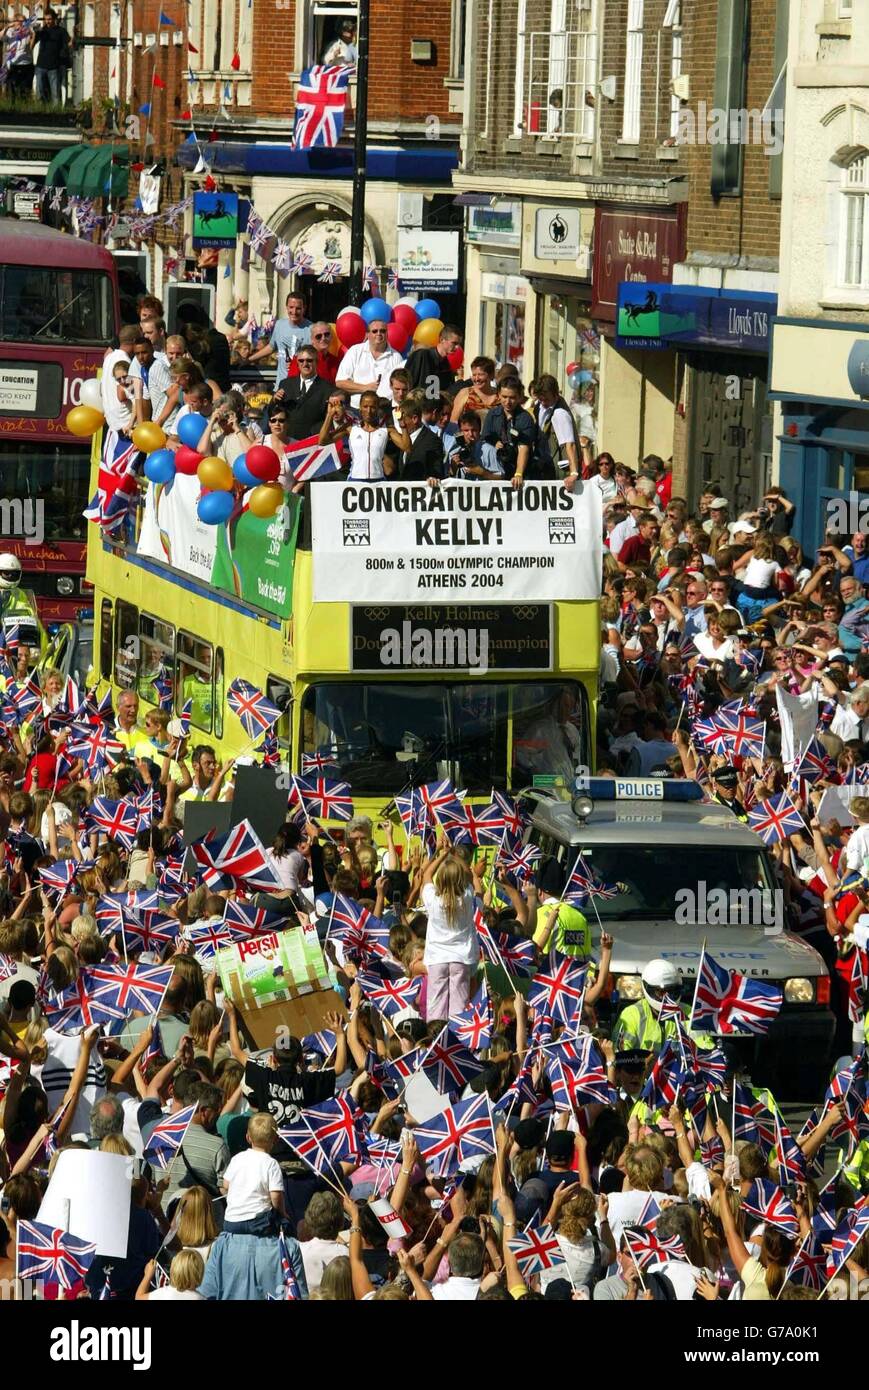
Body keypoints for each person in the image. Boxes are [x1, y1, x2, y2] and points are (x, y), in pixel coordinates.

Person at [420, 848, 478, 1019]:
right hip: (461, 958)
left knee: (435, 1006)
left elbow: (426, 875)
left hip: (437, 958)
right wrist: (455, 854)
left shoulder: (433, 900)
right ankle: (457, 1041)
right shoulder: (467, 897)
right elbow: (469, 874)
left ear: (441, 880)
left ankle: (435, 1037)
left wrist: (442, 854)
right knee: (459, 1008)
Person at [319, 389, 409, 482]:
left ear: (378, 408)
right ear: (360, 408)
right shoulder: (350, 427)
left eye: (372, 407)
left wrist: (403, 426)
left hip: (378, 481)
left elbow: (407, 448)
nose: (369, 411)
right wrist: (329, 415)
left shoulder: (386, 429)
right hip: (355, 480)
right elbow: (323, 441)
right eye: (365, 406)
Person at [221, 1113, 286, 1236]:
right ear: (276, 1139)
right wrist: (282, 1213)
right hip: (258, 1221)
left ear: (248, 1137)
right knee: (287, 1227)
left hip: (231, 1220)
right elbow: (276, 1197)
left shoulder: (237, 1158)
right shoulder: (271, 1164)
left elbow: (225, 1184)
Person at [481, 378, 545, 487]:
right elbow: (485, 438)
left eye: (512, 398)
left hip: (519, 468)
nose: (507, 402)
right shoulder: (492, 414)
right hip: (496, 469)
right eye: (504, 397)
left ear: (520, 397)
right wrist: (495, 443)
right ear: (498, 395)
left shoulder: (525, 418)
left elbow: (523, 448)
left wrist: (519, 474)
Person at [335, 320, 406, 408]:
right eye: (374, 331)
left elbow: (402, 386)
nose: (379, 333)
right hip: (356, 409)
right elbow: (340, 382)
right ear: (367, 334)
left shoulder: (396, 357)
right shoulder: (355, 351)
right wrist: (365, 388)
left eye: (382, 331)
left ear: (387, 334)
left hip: (384, 411)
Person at [249, 292, 311, 382]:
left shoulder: (311, 329)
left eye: (298, 308)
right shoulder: (279, 324)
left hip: (301, 384)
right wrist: (250, 359)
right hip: (281, 384)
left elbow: (315, 358)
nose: (294, 312)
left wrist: (296, 364)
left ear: (304, 309)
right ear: (286, 307)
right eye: (291, 307)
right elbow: (271, 347)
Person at [274, 345, 333, 440]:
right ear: (297, 363)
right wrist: (275, 400)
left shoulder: (327, 388)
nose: (305, 364)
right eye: (301, 361)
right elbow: (275, 413)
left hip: (312, 443)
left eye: (309, 360)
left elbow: (328, 420)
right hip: (288, 441)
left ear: (316, 362)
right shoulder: (285, 384)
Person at [532, 373, 580, 485]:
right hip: (543, 465)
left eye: (547, 400)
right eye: (540, 399)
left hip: (560, 472)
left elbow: (570, 444)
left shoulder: (560, 413)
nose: (543, 403)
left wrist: (573, 474)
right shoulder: (539, 406)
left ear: (556, 395)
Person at [406, 324, 463, 398]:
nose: (457, 347)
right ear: (442, 340)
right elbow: (405, 382)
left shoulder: (447, 366)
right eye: (454, 343)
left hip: (433, 408)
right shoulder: (421, 355)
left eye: (458, 344)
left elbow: (444, 394)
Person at [32, 8, 69, 104]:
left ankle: (55, 114)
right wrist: (34, 33)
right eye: (46, 19)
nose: (47, 21)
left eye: (49, 19)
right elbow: (31, 45)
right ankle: (38, 112)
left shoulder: (61, 31)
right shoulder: (42, 31)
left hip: (54, 66)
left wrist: (67, 48)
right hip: (40, 66)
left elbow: (69, 43)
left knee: (55, 94)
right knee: (39, 93)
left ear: (54, 19)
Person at [450, 355, 498, 423]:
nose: (477, 379)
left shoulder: (500, 395)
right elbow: (453, 421)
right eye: (474, 375)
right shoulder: (466, 393)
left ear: (491, 375)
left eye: (481, 374)